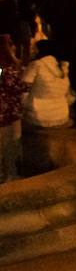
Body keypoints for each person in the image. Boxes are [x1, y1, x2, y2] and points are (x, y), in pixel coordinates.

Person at [21, 37, 73, 129]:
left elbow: (23, 89)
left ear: (40, 51)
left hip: (38, 115)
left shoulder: (36, 65)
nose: (32, 51)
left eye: (34, 49)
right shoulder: (62, 67)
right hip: (62, 114)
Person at [0, 35, 25, 182]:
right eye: (10, 44)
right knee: (9, 145)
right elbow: (14, 87)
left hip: (6, 112)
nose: (14, 46)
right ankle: (11, 175)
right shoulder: (6, 68)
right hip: (7, 113)